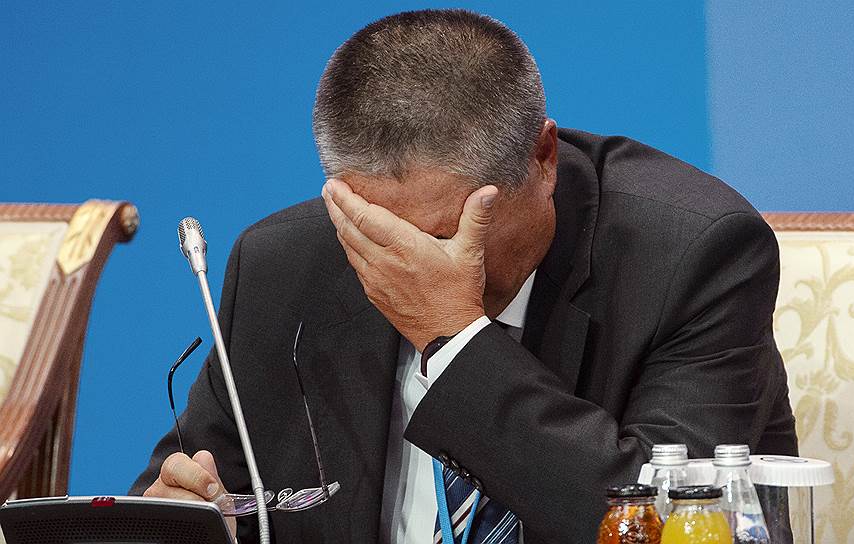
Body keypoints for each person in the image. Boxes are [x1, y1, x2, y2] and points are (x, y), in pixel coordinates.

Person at [131, 9, 797, 544]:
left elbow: (667, 525)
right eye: (376, 230)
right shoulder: (287, 264)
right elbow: (190, 498)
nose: (409, 262)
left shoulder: (694, 257)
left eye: (444, 232)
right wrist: (184, 522)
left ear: (542, 159)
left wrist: (454, 338)